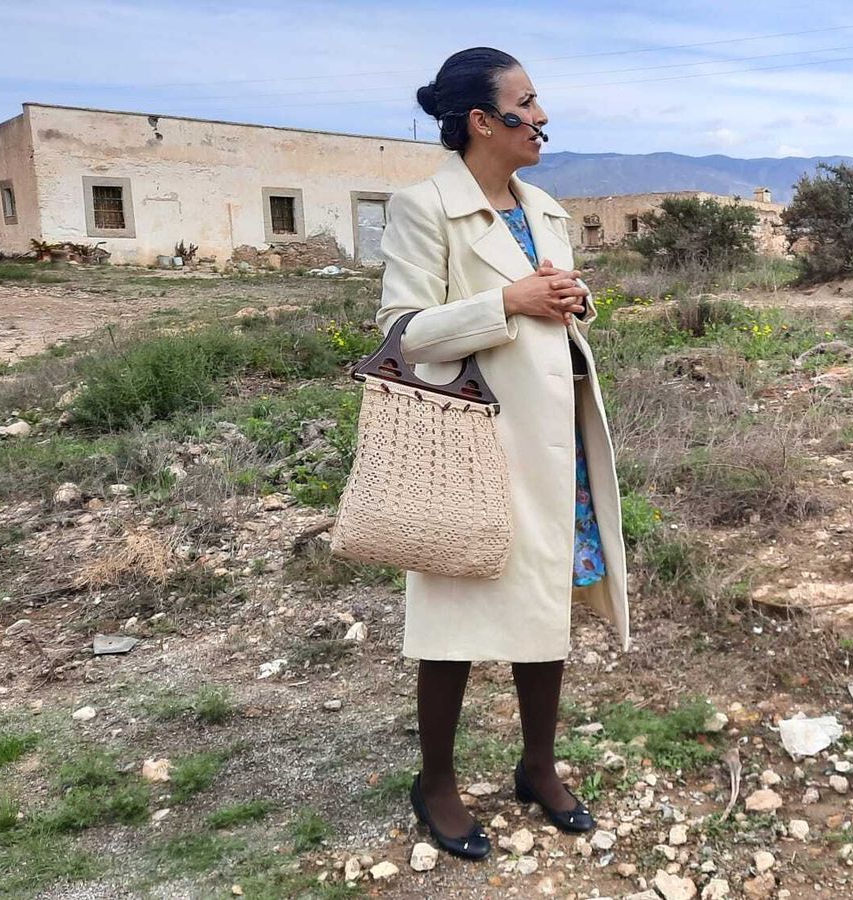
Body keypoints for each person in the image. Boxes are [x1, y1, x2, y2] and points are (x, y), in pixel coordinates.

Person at [376, 47, 629, 858]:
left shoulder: (546, 209)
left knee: (545, 599)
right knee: (452, 611)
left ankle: (538, 766)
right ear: (484, 120)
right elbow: (404, 335)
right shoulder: (423, 207)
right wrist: (508, 301)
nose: (542, 116)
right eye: (527, 101)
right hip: (472, 447)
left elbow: (550, 311)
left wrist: (571, 299)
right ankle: (436, 783)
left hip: (555, 441)